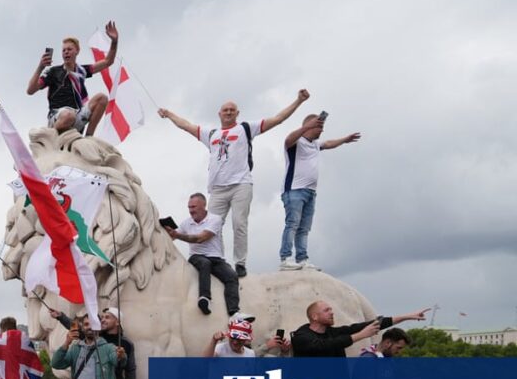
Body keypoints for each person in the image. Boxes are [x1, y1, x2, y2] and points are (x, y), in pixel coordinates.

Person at [158, 89, 310, 276]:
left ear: (237, 113)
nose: (228, 112)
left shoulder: (246, 128)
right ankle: (216, 260)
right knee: (211, 227)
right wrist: (169, 114)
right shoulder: (211, 134)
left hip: (240, 184)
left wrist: (298, 101)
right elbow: (186, 125)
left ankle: (240, 263)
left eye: (232, 110)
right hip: (218, 188)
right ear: (219, 114)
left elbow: (278, 119)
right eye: (225, 110)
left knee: (239, 224)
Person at [280, 113, 361, 271]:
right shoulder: (296, 142)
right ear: (309, 126)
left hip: (310, 192)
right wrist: (306, 126)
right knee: (292, 224)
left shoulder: (315, 144)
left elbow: (329, 143)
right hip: (294, 190)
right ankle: (285, 258)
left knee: (304, 228)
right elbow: (288, 140)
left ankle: (302, 258)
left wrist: (345, 140)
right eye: (319, 127)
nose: (321, 130)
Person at [165, 193, 254, 322]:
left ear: (203, 205)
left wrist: (177, 235)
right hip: (196, 257)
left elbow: (201, 238)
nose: (191, 210)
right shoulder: (186, 223)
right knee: (204, 263)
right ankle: (204, 298)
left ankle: (234, 313)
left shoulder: (215, 219)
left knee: (232, 276)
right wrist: (166, 231)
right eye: (189, 207)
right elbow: (172, 237)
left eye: (193, 207)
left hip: (216, 259)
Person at [27, 22, 118, 136]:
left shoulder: (82, 71)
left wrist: (114, 41)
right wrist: (40, 67)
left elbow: (108, 61)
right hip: (58, 116)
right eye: (64, 50)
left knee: (102, 98)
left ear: (77, 51)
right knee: (68, 115)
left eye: (69, 49)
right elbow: (30, 90)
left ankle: (88, 137)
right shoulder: (53, 72)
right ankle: (51, 137)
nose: (66, 52)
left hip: (76, 116)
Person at [290, 301, 431, 357]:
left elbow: (365, 326)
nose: (332, 312)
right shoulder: (301, 336)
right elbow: (324, 346)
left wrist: (406, 317)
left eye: (331, 309)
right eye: (327, 310)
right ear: (314, 316)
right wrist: (361, 335)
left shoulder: (332, 332)